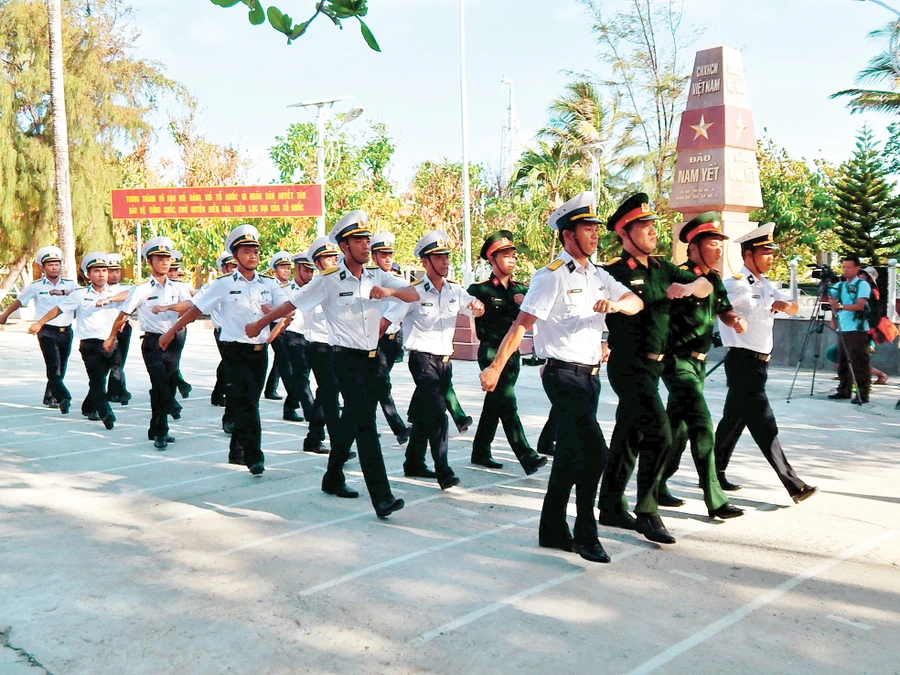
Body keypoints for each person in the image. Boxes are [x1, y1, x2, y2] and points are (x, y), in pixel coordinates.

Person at [481, 192, 642, 564]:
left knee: (570, 455)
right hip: (562, 374)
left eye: (595, 229)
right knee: (595, 452)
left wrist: (617, 305)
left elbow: (637, 303)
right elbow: (522, 326)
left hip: (590, 378)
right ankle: (586, 531)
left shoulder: (600, 276)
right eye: (587, 229)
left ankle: (551, 529)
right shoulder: (550, 277)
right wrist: (495, 367)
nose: (595, 234)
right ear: (568, 235)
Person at [247, 210, 418, 519]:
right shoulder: (328, 280)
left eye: (367, 239)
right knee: (367, 426)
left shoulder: (377, 275)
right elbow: (291, 304)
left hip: (372, 359)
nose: (366, 245)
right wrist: (260, 322)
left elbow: (413, 293)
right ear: (344, 246)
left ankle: (333, 476)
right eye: (358, 240)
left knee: (352, 422)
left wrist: (389, 292)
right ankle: (382, 497)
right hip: (345, 359)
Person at [597, 193, 714, 546]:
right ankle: (648, 511)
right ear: (624, 233)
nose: (652, 232)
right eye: (643, 227)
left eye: (652, 226)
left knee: (629, 434)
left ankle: (611, 505)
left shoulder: (664, 268)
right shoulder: (613, 273)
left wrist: (689, 286)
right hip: (628, 365)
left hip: (656, 366)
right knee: (660, 433)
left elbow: (706, 284)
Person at [160, 224, 286, 476]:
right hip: (234, 350)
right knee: (249, 403)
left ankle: (236, 450)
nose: (253, 256)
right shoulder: (223, 284)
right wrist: (172, 330)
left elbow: (286, 309)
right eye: (247, 251)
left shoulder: (268, 284)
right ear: (236, 256)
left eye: (255, 251)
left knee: (245, 403)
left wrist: (269, 317)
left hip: (260, 350)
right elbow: (195, 308)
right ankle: (255, 457)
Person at [713, 222, 818, 503]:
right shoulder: (735, 284)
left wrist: (786, 306)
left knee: (733, 421)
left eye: (772, 252)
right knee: (765, 424)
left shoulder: (766, 285)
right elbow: (719, 308)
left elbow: (794, 305)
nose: (771, 257)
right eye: (765, 252)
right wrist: (734, 320)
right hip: (742, 361)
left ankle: (713, 471)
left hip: (760, 364)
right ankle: (794, 484)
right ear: (748, 254)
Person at [658, 213, 745, 520]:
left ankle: (656, 483)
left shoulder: (715, 280)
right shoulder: (677, 276)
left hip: (699, 364)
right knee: (702, 424)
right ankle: (715, 499)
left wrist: (735, 320)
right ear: (693, 248)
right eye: (712, 243)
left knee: (678, 429)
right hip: (677, 362)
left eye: (721, 244)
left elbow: (724, 310)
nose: (719, 249)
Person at [383, 230, 485, 489]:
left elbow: (475, 306)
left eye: (446, 257)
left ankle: (413, 461)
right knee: (439, 413)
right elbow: (388, 321)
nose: (445, 262)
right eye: (438, 258)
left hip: (444, 362)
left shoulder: (455, 291)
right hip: (421, 360)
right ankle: (444, 470)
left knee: (424, 412)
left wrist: (478, 307)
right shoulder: (414, 292)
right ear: (425, 262)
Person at [467, 230, 547, 475]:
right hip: (491, 352)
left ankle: (480, 451)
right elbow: (470, 310)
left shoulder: (522, 289)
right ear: (492, 260)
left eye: (513, 255)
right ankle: (526, 454)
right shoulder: (478, 290)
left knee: (495, 403)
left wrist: (525, 302)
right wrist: (475, 309)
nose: (511, 259)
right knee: (507, 401)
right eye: (505, 255)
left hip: (512, 356)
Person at [105, 237, 192, 449]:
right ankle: (162, 432)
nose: (165, 262)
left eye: (167, 258)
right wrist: (111, 337)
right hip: (153, 342)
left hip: (174, 340)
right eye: (159, 258)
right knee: (160, 386)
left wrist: (166, 308)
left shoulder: (178, 286)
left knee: (169, 386)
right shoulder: (141, 290)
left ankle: (155, 426)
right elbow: (123, 315)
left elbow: (189, 304)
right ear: (149, 262)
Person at [30, 252, 122, 429]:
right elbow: (59, 309)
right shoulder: (79, 295)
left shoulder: (116, 291)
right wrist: (40, 323)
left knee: (102, 379)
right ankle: (106, 414)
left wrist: (109, 299)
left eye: (104, 270)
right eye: (96, 271)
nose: (101, 274)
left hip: (111, 342)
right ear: (88, 275)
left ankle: (88, 407)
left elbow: (132, 295)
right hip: (91, 345)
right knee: (97, 381)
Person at [0, 246, 79, 411]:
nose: (54, 267)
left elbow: (83, 297)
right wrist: (5, 314)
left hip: (66, 330)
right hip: (46, 330)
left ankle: (50, 396)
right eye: (50, 265)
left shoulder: (71, 285)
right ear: (43, 267)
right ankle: (63, 397)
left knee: (61, 366)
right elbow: (20, 301)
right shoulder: (35, 286)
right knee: (53, 365)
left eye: (57, 264)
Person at [370, 232, 412, 445]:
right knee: (381, 384)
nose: (387, 258)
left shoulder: (397, 281)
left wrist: (387, 320)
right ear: (374, 256)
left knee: (373, 386)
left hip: (392, 340)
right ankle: (399, 428)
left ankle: (361, 425)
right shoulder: (367, 277)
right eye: (382, 254)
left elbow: (408, 299)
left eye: (389, 254)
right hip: (373, 341)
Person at [265, 250, 305, 422]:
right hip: (277, 327)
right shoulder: (272, 287)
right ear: (275, 270)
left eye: (288, 268)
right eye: (282, 267)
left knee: (284, 363)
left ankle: (273, 390)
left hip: (294, 328)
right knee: (286, 365)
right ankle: (296, 400)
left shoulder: (293, 287)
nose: (286, 271)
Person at [827, 254, 872, 404]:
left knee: (859, 362)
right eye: (843, 267)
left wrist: (839, 306)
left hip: (857, 329)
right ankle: (843, 390)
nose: (845, 270)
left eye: (848, 267)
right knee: (843, 361)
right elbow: (828, 299)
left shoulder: (862, 285)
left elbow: (860, 305)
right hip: (843, 328)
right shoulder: (840, 285)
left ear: (857, 268)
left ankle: (862, 393)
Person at [105, 253, 133, 405]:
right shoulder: (101, 289)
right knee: (110, 362)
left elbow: (129, 295)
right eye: (111, 271)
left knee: (119, 361)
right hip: (106, 329)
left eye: (117, 271)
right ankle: (118, 392)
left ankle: (117, 391)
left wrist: (110, 299)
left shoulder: (126, 288)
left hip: (123, 328)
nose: (114, 275)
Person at [166, 250, 193, 401]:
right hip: (160, 329)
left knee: (173, 362)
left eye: (175, 269)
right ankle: (180, 386)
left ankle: (172, 396)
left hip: (178, 329)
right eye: (170, 269)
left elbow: (188, 306)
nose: (172, 273)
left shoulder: (181, 286)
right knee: (167, 365)